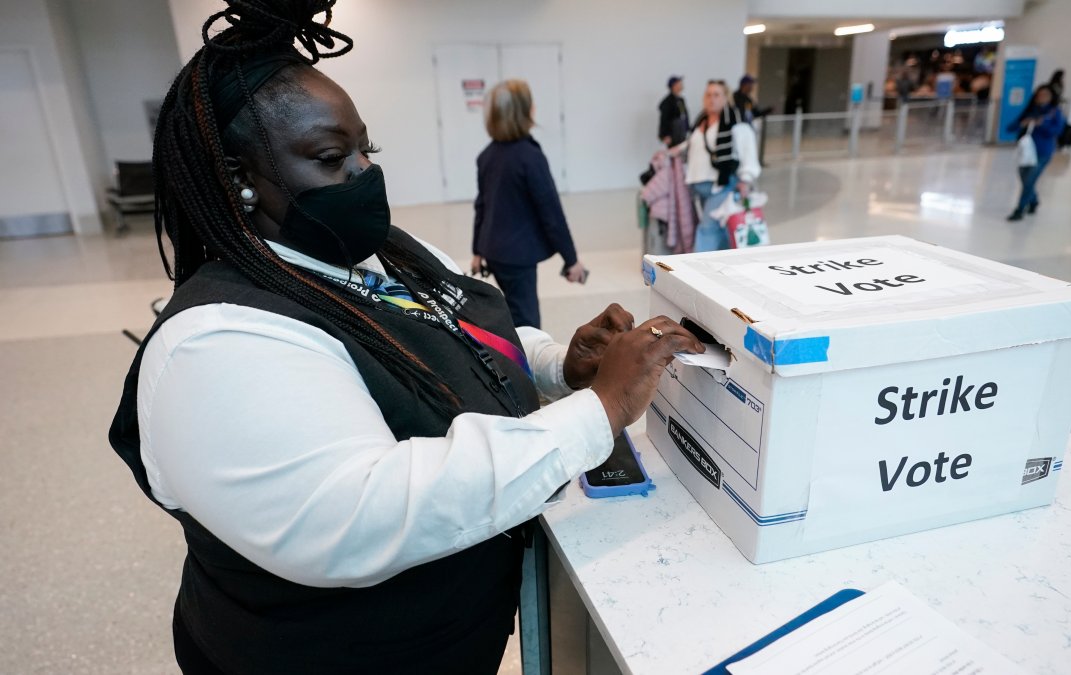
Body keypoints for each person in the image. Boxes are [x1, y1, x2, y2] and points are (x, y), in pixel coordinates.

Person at [107, 2, 703, 673]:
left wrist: (557, 365)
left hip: (454, 634)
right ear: (240, 178)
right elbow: (364, 512)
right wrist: (596, 412)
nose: (364, 172)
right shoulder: (217, 342)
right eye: (333, 157)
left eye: (369, 149)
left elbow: (459, 327)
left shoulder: (383, 251)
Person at [472, 79, 585, 329]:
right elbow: (551, 213)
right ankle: (524, 366)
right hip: (517, 256)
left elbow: (482, 206)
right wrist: (572, 260)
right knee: (527, 320)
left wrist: (477, 250)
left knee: (513, 310)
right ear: (525, 112)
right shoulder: (530, 158)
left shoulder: (487, 156)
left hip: (493, 250)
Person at [678, 79, 762, 252]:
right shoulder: (701, 121)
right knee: (719, 228)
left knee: (707, 228)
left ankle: (698, 269)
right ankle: (725, 263)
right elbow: (693, 145)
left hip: (722, 185)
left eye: (717, 95)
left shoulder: (736, 123)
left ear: (725, 98)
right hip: (699, 184)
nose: (711, 99)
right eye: (708, 95)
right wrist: (675, 151)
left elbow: (748, 151)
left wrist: (746, 179)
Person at [1006, 85, 1065, 221]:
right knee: (1025, 178)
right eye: (1039, 95)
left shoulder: (1054, 113)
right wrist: (1023, 124)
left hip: (1042, 152)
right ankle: (1034, 201)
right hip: (1026, 153)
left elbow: (1057, 131)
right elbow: (1010, 127)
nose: (1042, 97)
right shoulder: (1030, 111)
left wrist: (1042, 124)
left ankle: (1020, 209)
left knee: (1029, 180)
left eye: (1045, 95)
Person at [658, 75, 690, 146]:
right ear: (674, 86)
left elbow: (684, 115)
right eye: (679, 83)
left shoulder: (681, 100)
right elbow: (664, 119)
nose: (681, 85)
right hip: (673, 132)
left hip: (682, 131)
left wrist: (688, 128)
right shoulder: (667, 101)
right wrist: (666, 135)